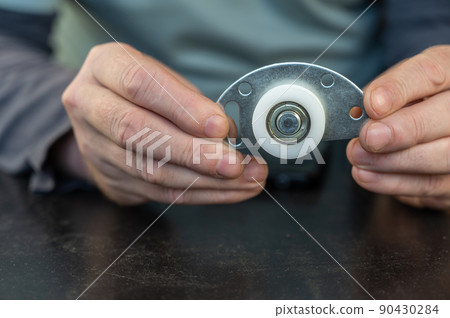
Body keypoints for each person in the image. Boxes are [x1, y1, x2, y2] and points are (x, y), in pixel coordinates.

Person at [0, 0, 449, 209]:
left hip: (355, 175)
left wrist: (430, 120)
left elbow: (430, 29)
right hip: (132, 182)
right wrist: (76, 131)